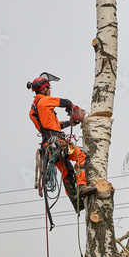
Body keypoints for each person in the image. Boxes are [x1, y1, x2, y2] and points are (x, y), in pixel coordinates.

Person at [27, 72, 96, 212]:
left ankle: (76, 201)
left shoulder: (33, 110)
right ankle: (82, 186)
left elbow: (53, 125)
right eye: (49, 88)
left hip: (48, 146)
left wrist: (71, 122)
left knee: (66, 172)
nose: (50, 91)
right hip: (58, 142)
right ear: (45, 89)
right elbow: (65, 101)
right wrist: (72, 107)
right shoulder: (45, 100)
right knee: (81, 155)